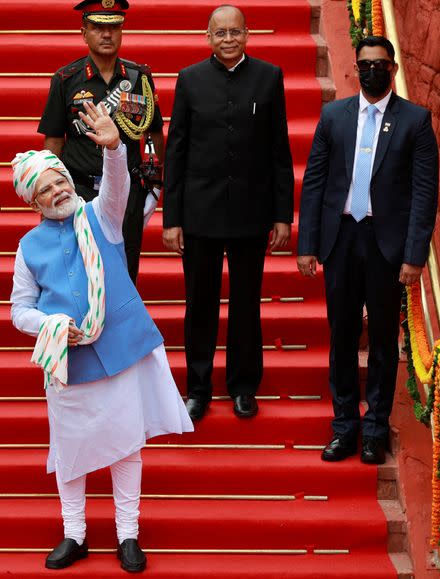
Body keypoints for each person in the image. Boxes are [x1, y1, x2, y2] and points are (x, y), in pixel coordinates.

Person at [10, 102, 193, 572]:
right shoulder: (28, 247)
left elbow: (119, 188)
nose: (56, 190)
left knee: (126, 447)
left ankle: (127, 534)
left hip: (119, 353)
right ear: (34, 201)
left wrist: (114, 147)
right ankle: (75, 534)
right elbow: (20, 312)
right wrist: (49, 325)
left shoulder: (101, 218)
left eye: (60, 181)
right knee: (70, 453)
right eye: (45, 189)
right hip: (67, 361)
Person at [297, 36, 439, 465]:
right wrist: (308, 244)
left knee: (380, 339)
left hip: (385, 244)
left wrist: (414, 255)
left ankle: (375, 428)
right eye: (364, 64)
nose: (372, 70)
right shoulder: (333, 116)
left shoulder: (415, 121)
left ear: (393, 69)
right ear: (356, 69)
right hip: (340, 239)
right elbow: (316, 183)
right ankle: (344, 427)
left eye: (380, 64)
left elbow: (424, 192)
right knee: (341, 335)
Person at [162, 5, 294, 421]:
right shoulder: (190, 79)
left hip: (251, 214)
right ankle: (198, 388)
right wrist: (172, 218)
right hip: (200, 213)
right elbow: (177, 150)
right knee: (199, 304)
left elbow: (279, 151)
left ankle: (242, 386)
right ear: (208, 37)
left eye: (235, 32)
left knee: (245, 303)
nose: (228, 39)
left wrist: (281, 215)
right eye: (220, 33)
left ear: (248, 34)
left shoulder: (269, 78)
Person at [38, 0, 165, 283]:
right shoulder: (65, 79)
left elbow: (152, 133)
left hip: (126, 192)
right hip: (80, 191)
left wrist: (154, 180)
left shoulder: (138, 77)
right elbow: (55, 141)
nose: (106, 34)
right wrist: (47, 188)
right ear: (84, 33)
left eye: (113, 27)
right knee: (76, 272)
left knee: (124, 270)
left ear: (122, 31)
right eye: (98, 27)